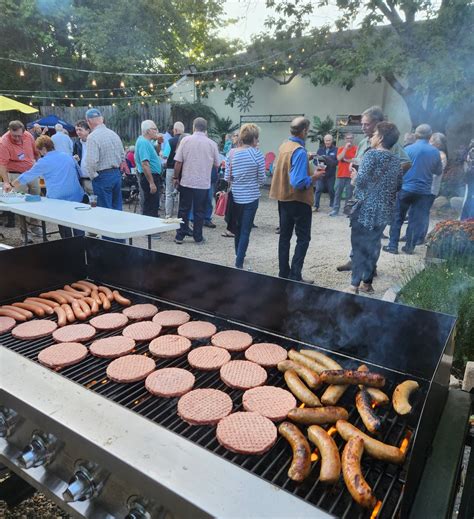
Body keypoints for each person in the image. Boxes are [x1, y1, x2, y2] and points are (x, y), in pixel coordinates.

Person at [336, 105, 412, 271]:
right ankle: (355, 261)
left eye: (367, 124)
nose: (363, 127)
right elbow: (358, 162)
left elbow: (406, 163)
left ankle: (370, 268)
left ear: (378, 123)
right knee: (357, 232)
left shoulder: (392, 144)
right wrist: (354, 167)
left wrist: (384, 179)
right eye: (362, 124)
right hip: (360, 196)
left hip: (377, 199)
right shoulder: (364, 142)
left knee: (373, 236)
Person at [346, 122, 402, 294]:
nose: (372, 137)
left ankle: (353, 285)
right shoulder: (396, 160)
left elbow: (361, 181)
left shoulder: (371, 155)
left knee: (359, 246)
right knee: (373, 245)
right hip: (384, 211)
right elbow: (399, 185)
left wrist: (354, 177)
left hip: (365, 210)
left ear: (381, 138)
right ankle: (367, 283)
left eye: (375, 133)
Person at [269, 116, 326, 283]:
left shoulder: (284, 146)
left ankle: (283, 273)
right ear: (304, 131)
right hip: (298, 201)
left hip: (283, 199)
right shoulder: (299, 151)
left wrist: (304, 159)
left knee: (284, 237)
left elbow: (280, 168)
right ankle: (295, 275)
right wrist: (314, 177)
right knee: (303, 238)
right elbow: (298, 183)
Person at [11, 135, 86, 239]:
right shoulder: (68, 156)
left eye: (39, 151)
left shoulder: (43, 162)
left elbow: (28, 175)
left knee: (64, 223)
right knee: (77, 222)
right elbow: (80, 172)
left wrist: (11, 184)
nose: (40, 154)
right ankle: (81, 242)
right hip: (76, 194)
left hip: (58, 198)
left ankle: (68, 244)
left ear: (44, 149)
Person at [384, 124, 442, 254]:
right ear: (430, 136)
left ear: (415, 135)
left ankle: (393, 246)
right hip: (423, 191)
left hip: (405, 188)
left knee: (397, 217)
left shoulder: (408, 149)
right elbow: (438, 171)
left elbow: (397, 167)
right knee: (415, 219)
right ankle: (409, 247)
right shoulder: (435, 152)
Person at [224, 124, 265, 269]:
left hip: (235, 196)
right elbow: (262, 179)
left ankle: (238, 254)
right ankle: (239, 261)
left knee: (237, 227)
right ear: (254, 139)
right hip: (252, 197)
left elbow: (227, 177)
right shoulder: (257, 154)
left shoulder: (232, 153)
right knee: (246, 230)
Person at [173, 117, 220, 244]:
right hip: (203, 183)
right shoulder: (212, 144)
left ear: (194, 127)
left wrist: (175, 177)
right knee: (199, 210)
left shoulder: (185, 140)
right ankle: (198, 237)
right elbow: (217, 164)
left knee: (183, 209)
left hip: (187, 181)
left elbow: (178, 162)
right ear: (206, 128)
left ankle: (180, 235)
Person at [0, 120, 41, 237]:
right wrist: (7, 182)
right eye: (14, 136)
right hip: (16, 174)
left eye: (19, 135)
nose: (17, 138)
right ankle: (25, 233)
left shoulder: (28, 136)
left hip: (31, 172)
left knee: (36, 199)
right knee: (21, 203)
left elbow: (36, 152)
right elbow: (2, 164)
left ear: (24, 132)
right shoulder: (4, 142)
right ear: (9, 131)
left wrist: (38, 167)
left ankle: (34, 226)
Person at [84, 108, 124, 211]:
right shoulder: (114, 134)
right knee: (117, 208)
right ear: (101, 119)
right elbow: (122, 155)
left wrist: (93, 176)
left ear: (88, 121)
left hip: (102, 176)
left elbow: (91, 161)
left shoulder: (92, 137)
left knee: (105, 211)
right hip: (116, 174)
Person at [134, 120, 162, 219]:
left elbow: (156, 152)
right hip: (149, 177)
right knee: (151, 203)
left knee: (153, 202)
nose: (157, 131)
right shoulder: (143, 143)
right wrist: (151, 183)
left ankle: (152, 227)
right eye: (155, 129)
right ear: (148, 131)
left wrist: (159, 143)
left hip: (152, 175)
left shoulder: (147, 142)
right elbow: (145, 164)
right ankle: (150, 229)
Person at [330, 133, 358, 216]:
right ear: (345, 139)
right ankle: (335, 210)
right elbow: (339, 158)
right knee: (338, 193)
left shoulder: (356, 149)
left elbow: (355, 160)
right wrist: (345, 149)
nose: (349, 140)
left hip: (351, 175)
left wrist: (345, 159)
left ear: (353, 139)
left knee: (349, 194)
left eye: (351, 138)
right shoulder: (341, 148)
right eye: (347, 138)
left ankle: (347, 211)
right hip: (340, 174)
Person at [162, 121, 185, 219]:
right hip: (184, 170)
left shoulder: (170, 141)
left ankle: (168, 215)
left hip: (171, 169)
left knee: (169, 193)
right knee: (182, 194)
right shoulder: (186, 140)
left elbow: (165, 157)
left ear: (175, 130)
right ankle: (181, 215)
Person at [314, 134, 338, 211]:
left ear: (332, 141)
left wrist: (329, 161)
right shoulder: (320, 150)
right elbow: (315, 160)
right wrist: (318, 165)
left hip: (330, 174)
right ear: (324, 141)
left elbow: (337, 162)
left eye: (329, 140)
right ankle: (316, 206)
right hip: (320, 173)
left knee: (331, 190)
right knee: (318, 189)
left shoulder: (336, 150)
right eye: (326, 140)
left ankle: (332, 205)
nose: (327, 142)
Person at [73, 120, 93, 195]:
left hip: (93, 179)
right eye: (76, 130)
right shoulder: (76, 143)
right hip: (82, 180)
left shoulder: (94, 142)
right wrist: (75, 159)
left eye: (80, 130)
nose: (78, 132)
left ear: (88, 130)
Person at [461, 138, 474, 220]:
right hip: (471, 179)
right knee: (470, 198)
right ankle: (466, 220)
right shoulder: (472, 151)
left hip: (470, 178)